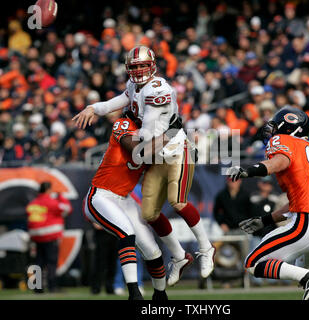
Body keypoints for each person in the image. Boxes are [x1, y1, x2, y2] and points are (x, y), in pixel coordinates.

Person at [73, 45, 215, 286]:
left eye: (142, 66)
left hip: (174, 147)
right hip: (154, 151)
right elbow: (116, 102)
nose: (138, 71)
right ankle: (179, 257)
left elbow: (148, 135)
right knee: (149, 213)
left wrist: (131, 136)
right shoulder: (134, 86)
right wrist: (93, 108)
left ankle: (206, 247)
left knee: (177, 200)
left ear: (153, 66)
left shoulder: (158, 90)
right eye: (134, 67)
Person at [227, 106, 309, 300]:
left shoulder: (283, 141)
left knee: (253, 262)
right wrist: (266, 220)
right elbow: (299, 199)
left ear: (289, 127)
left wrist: (251, 170)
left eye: (276, 125)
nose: (272, 130)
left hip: (307, 222)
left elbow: (279, 162)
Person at [83, 112, 181, 300]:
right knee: (127, 233)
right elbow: (139, 151)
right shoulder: (123, 125)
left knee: (152, 249)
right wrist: (168, 134)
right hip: (101, 195)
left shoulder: (152, 137)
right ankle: (134, 293)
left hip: (124, 197)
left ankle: (160, 294)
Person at [26, 181, 72, 293]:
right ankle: (52, 287)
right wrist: (61, 197)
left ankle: (37, 287)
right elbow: (67, 209)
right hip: (50, 235)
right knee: (51, 262)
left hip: (36, 236)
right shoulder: (52, 202)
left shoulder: (33, 203)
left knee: (39, 261)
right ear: (48, 190)